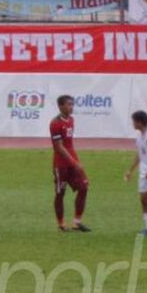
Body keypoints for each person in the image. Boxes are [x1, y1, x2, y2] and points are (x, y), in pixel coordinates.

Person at [50, 95, 90, 232]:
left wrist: (75, 161)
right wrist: (74, 162)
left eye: (72, 104)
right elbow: (59, 147)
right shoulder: (55, 123)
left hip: (72, 161)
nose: (71, 107)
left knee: (84, 187)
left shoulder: (72, 120)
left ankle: (77, 222)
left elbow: (69, 144)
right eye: (68, 104)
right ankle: (61, 224)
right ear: (60, 106)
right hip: (60, 164)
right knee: (60, 193)